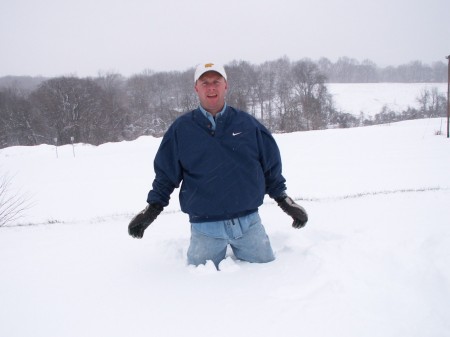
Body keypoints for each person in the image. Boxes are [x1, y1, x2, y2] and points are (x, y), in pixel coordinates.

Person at [128, 62, 308, 269]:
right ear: (196, 88)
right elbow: (165, 175)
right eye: (205, 82)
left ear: (225, 85)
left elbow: (271, 167)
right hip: (205, 228)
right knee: (201, 285)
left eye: (216, 82)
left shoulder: (248, 125)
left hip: (249, 224)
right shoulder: (181, 129)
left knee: (266, 275)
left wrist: (284, 201)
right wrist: (152, 209)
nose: (211, 87)